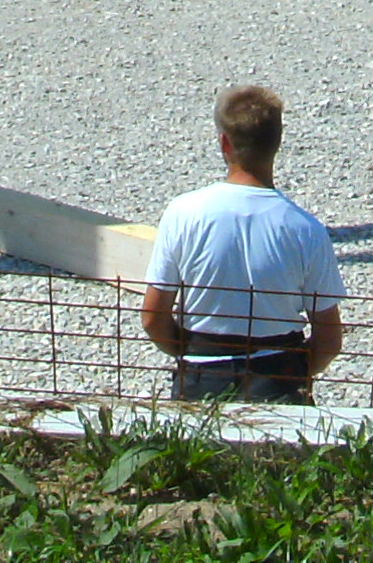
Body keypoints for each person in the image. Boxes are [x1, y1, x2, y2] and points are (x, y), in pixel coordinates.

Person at [141, 84, 345, 402]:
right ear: (277, 142)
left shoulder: (183, 213)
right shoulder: (306, 229)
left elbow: (153, 318)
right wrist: (297, 372)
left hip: (201, 375)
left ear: (225, 142)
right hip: (279, 378)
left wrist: (191, 352)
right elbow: (329, 338)